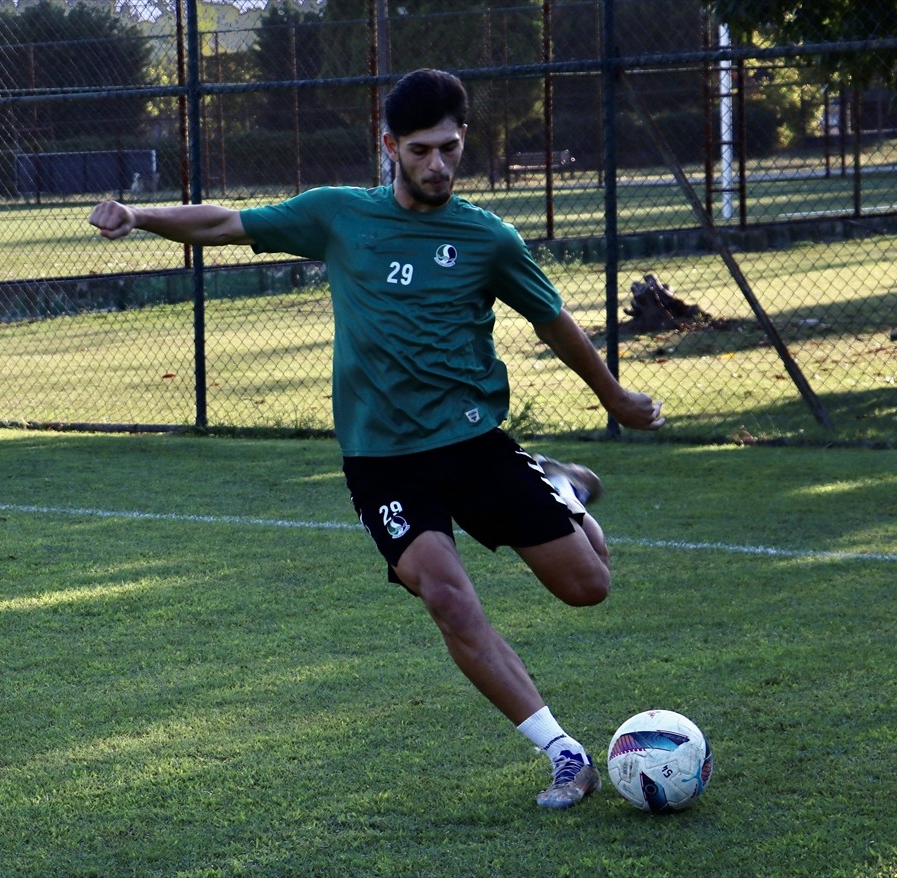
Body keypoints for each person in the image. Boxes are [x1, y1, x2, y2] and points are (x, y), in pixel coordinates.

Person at [89, 68, 664, 809]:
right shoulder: (339, 216)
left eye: (451, 148)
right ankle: (562, 753)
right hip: (382, 462)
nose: (438, 165)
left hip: (471, 444)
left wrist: (613, 395)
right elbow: (227, 223)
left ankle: (557, 483)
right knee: (449, 600)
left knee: (589, 588)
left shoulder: (489, 239)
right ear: (388, 144)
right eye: (421, 149)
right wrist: (138, 216)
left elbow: (553, 322)